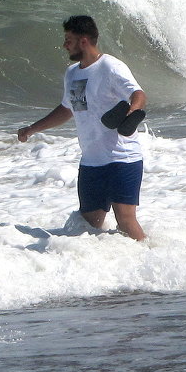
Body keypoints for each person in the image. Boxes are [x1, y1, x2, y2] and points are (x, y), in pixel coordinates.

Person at [17, 15, 147, 241]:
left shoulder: (110, 67)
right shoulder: (72, 73)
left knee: (125, 220)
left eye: (69, 39)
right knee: (88, 227)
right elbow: (67, 109)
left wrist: (131, 113)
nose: (64, 44)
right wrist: (32, 129)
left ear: (84, 41)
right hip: (91, 161)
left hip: (123, 158)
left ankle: (150, 258)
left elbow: (138, 94)